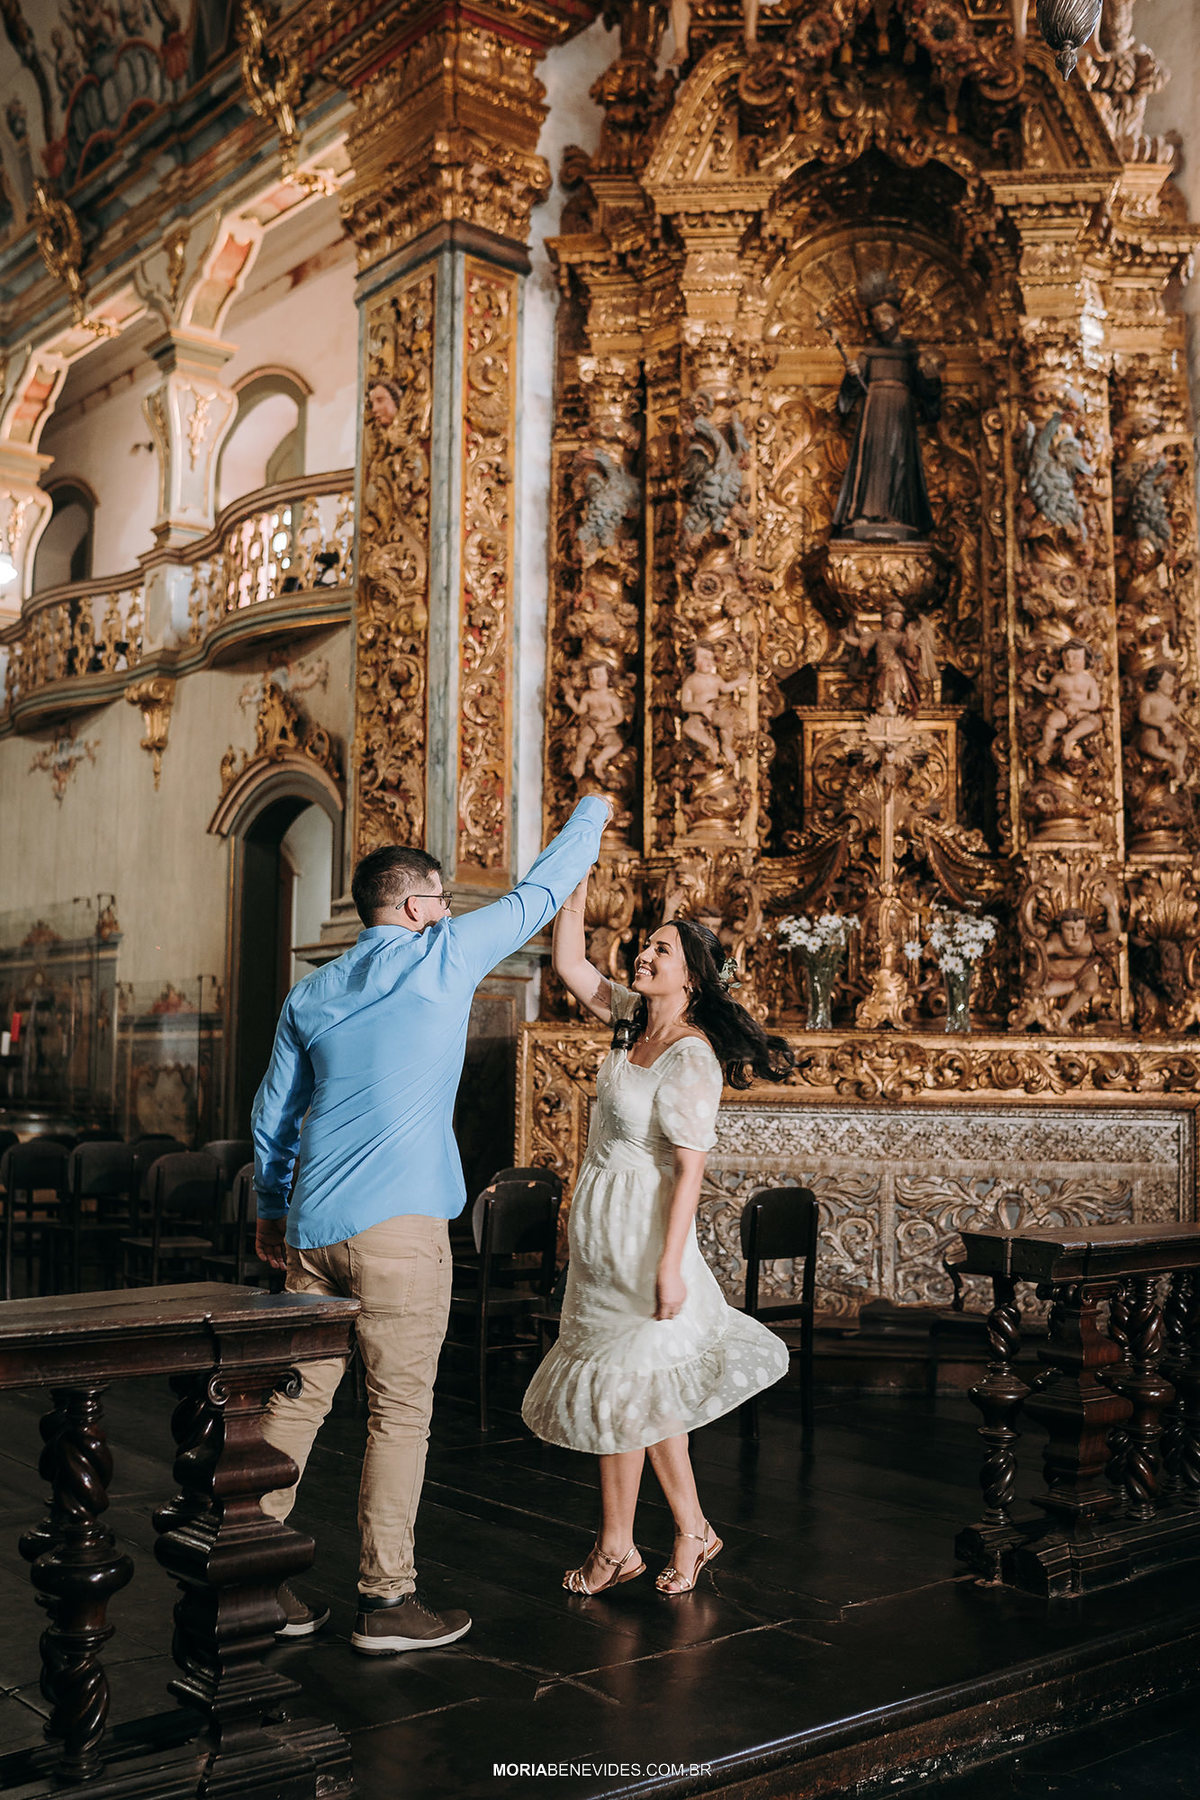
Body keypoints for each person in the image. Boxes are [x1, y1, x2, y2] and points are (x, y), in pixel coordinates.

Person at [252, 794, 611, 1654]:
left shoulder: (312, 991)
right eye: (442, 900)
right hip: (398, 1233)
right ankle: (387, 1600)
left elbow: (273, 1114)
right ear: (416, 907)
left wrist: (270, 1210)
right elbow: (545, 885)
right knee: (400, 1412)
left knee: (299, 1399)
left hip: (312, 1227)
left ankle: (253, 1578)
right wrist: (593, 807)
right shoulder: (442, 956)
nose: (448, 911)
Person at [521, 890, 795, 1596]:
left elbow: (688, 1170)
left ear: (693, 978)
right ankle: (689, 1531)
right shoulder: (627, 1020)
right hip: (601, 1233)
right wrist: (573, 894)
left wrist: (671, 1267)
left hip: (645, 1238)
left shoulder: (692, 1055)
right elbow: (571, 962)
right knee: (637, 1391)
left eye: (661, 948)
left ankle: (618, 1547)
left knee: (623, 1390)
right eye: (644, 944)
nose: (644, 953)